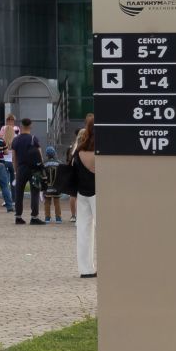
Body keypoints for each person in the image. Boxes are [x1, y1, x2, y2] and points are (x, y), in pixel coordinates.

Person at [72, 119, 98, 279]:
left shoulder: (79, 150)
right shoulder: (103, 151)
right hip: (99, 192)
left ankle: (85, 269)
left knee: (83, 230)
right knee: (105, 231)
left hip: (82, 193)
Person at [12, 119, 43, 225]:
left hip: (21, 168)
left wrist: (16, 171)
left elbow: (14, 157)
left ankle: (18, 216)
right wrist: (41, 167)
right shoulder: (34, 139)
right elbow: (40, 155)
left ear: (21, 125)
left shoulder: (16, 140)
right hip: (34, 170)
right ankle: (34, 217)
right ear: (31, 126)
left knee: (19, 192)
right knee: (35, 192)